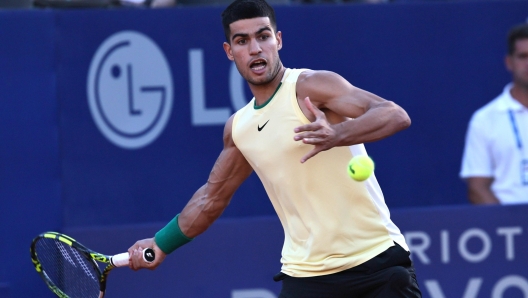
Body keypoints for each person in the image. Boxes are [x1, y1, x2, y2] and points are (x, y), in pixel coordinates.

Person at [128, 0, 421, 296]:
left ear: (278, 40)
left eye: (263, 36)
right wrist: (161, 243)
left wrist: (337, 133)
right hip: (306, 277)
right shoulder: (239, 128)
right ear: (230, 52)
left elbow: (395, 115)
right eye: (242, 41)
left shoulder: (311, 86)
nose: (255, 48)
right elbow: (211, 198)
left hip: (377, 264)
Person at [460, 23, 528, 205]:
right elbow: (477, 188)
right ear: (509, 62)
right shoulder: (484, 119)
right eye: (523, 56)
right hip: (511, 228)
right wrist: (510, 227)